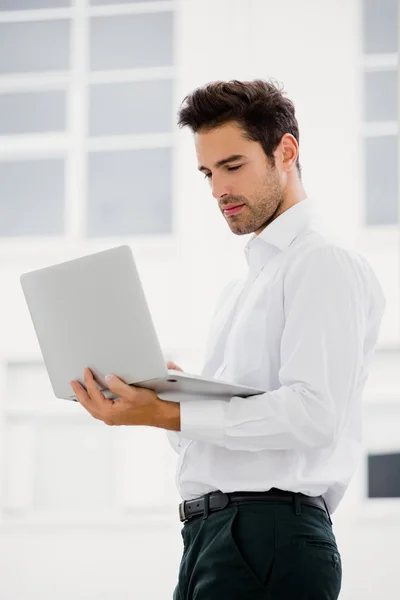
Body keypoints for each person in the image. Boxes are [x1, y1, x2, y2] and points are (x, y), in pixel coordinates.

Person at [70, 79, 386, 599]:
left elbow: (313, 414)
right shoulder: (240, 289)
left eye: (233, 166)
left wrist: (167, 413)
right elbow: (222, 437)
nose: (218, 190)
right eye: (207, 173)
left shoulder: (321, 263)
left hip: (267, 537)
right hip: (212, 537)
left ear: (286, 151)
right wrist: (163, 394)